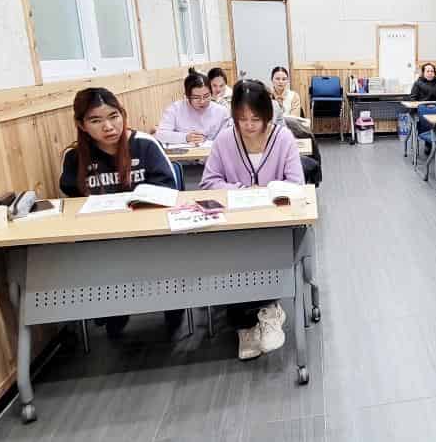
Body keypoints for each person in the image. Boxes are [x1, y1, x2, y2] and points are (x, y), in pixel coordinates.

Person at [60, 88, 183, 337]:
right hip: (103, 240)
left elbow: (169, 190)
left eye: (114, 116)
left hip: (151, 235)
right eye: (96, 120)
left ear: (122, 115)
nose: (108, 127)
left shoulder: (144, 145)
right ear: (81, 125)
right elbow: (73, 203)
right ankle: (113, 308)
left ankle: (173, 304)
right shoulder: (74, 157)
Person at [200, 79, 303, 360]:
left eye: (255, 119)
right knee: (232, 258)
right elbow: (208, 183)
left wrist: (269, 192)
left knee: (264, 252)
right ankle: (245, 325)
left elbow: (296, 182)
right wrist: (243, 190)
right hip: (234, 223)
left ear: (267, 115)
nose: (248, 125)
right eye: (242, 119)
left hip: (274, 222)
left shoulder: (282, 138)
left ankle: (267, 311)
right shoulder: (225, 140)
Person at [155, 68, 230, 145]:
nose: (202, 101)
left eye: (206, 96)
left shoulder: (221, 112)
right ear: (187, 96)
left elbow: (227, 139)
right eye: (196, 98)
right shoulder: (176, 109)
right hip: (185, 152)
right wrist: (186, 137)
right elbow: (160, 135)